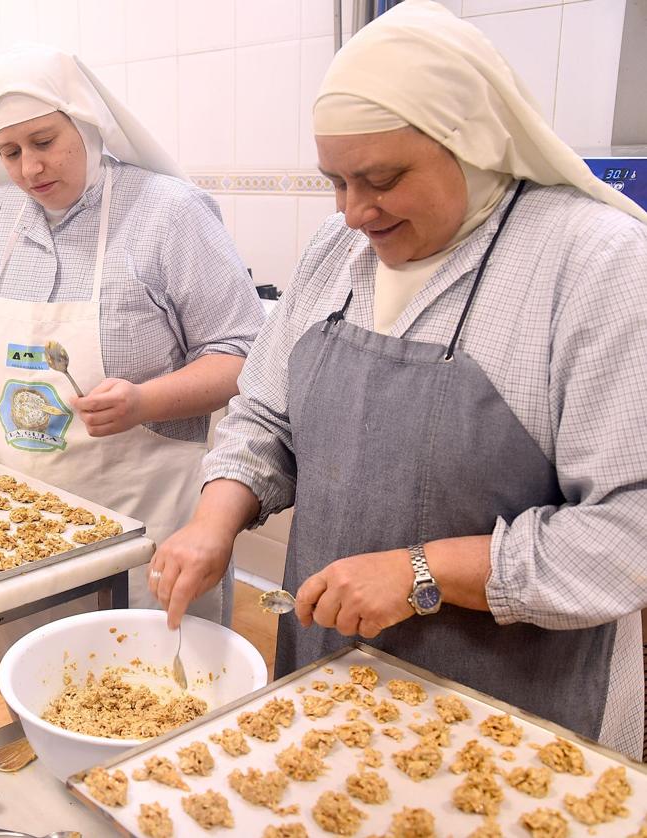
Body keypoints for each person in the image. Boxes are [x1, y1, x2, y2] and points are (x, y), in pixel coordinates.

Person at [151, 0, 647, 760]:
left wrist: (424, 572)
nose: (352, 213)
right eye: (335, 182)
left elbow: (628, 530)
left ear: (472, 143)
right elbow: (265, 416)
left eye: (380, 178)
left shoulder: (595, 265)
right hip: (333, 672)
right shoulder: (336, 253)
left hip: (511, 707)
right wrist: (213, 523)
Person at [0, 46, 264, 676]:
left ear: (84, 124)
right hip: (23, 509)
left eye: (45, 141)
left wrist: (145, 402)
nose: (30, 167)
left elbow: (244, 355)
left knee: (150, 686)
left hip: (142, 509)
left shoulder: (168, 215)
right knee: (35, 676)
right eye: (11, 151)